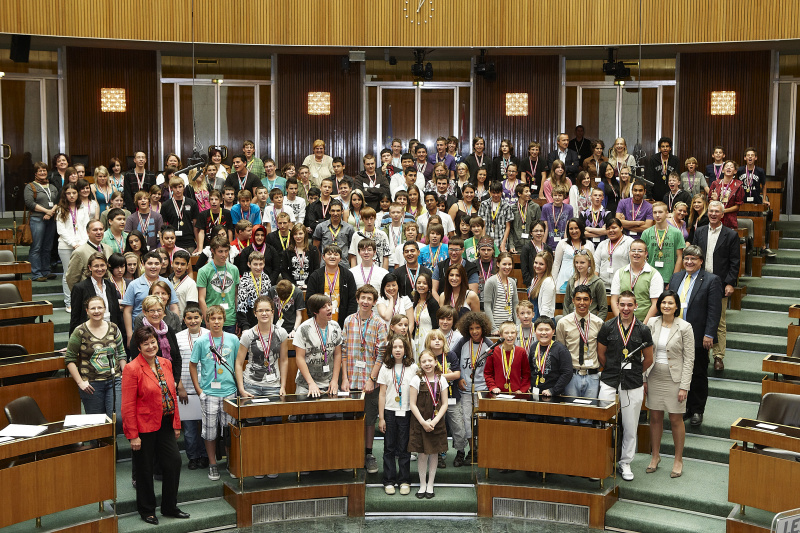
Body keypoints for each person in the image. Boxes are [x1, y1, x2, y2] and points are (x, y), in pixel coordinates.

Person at [122, 326, 187, 525]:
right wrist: (133, 435)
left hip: (165, 423)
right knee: (144, 469)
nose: (151, 346)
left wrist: (176, 424)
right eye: (145, 344)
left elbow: (172, 396)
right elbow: (127, 405)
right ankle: (147, 509)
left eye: (153, 342)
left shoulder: (166, 363)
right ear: (138, 347)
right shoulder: (132, 369)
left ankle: (169, 506)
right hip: (143, 427)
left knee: (174, 462)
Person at [597, 290, 654, 481]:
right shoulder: (607, 327)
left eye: (630, 305)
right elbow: (601, 355)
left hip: (633, 383)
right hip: (610, 380)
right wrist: (613, 369)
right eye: (622, 304)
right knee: (605, 423)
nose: (626, 308)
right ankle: (604, 461)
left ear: (635, 306)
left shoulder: (643, 329)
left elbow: (648, 358)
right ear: (617, 305)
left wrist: (634, 372)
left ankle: (625, 462)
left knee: (630, 426)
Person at [667, 245, 722, 427]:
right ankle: (685, 408)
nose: (689, 262)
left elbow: (714, 311)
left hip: (698, 335)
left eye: (693, 259)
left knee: (697, 373)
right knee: (679, 373)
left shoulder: (711, 280)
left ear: (700, 261)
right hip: (675, 334)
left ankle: (697, 410)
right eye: (686, 259)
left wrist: (709, 334)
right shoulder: (676, 277)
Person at [645, 291, 695, 478]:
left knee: (675, 419)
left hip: (675, 379)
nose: (666, 306)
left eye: (670, 303)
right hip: (653, 375)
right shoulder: (652, 323)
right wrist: (644, 379)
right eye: (663, 302)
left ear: (677, 306)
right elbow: (645, 352)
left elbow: (689, 359)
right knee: (655, 418)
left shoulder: (685, 327)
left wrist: (684, 386)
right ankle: (655, 456)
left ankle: (678, 459)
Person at [341, 285, 388, 474]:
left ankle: (368, 453)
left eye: (369, 299)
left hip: (370, 381)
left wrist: (371, 378)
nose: (366, 302)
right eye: (363, 298)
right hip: (350, 380)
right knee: (350, 419)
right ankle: (351, 453)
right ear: (357, 299)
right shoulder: (348, 321)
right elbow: (343, 351)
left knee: (369, 419)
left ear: (374, 302)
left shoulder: (379, 323)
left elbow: (382, 354)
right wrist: (344, 378)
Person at [189, 305, 240, 481]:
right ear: (207, 321)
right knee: (210, 432)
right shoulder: (201, 342)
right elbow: (193, 365)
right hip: (209, 393)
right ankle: (213, 464)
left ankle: (231, 462)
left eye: (219, 318)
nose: (216, 322)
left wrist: (239, 388)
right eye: (212, 319)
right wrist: (199, 390)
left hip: (230, 392)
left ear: (224, 320)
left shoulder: (233, 339)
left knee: (229, 431)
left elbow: (238, 364)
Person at [691, 201, 740, 372]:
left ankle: (718, 356)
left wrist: (730, 283)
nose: (712, 214)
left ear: (722, 215)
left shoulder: (731, 235)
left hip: (719, 283)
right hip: (700, 281)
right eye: (710, 211)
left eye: (716, 212)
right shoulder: (700, 231)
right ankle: (700, 353)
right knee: (698, 317)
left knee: (719, 321)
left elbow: (735, 262)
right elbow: (694, 257)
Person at [66, 294, 126, 429]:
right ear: (87, 311)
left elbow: (121, 354)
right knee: (97, 425)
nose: (97, 311)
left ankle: (112, 449)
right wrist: (80, 382)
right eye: (93, 308)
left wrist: (125, 375)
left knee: (117, 420)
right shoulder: (79, 331)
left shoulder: (114, 328)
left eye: (100, 307)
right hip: (91, 385)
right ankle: (103, 450)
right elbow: (70, 359)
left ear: (105, 309)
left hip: (114, 381)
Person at [236, 295, 289, 427]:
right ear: (255, 313)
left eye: (267, 310)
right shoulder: (247, 334)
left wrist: (283, 386)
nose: (264, 313)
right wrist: (241, 389)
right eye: (260, 310)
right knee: (252, 425)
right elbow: (238, 363)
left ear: (272, 312)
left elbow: (284, 360)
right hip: (251, 386)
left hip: (273, 386)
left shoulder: (281, 333)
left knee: (273, 426)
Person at [556, 285, 605, 423]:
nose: (581, 303)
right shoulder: (563, 323)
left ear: (591, 301)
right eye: (578, 299)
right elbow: (560, 350)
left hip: (592, 375)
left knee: (588, 417)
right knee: (571, 416)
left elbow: (601, 350)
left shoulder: (599, 323)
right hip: (571, 376)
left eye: (585, 299)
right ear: (572, 300)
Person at [378, 335, 418, 495]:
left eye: (401, 347)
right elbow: (381, 394)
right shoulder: (385, 368)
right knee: (389, 447)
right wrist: (381, 418)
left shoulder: (413, 368)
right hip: (389, 411)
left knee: (404, 447)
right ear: (390, 350)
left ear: (406, 349)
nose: (398, 350)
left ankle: (404, 480)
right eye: (394, 347)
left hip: (407, 412)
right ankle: (389, 480)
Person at [408, 348, 449, 498]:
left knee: (434, 454)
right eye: (424, 361)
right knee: (422, 454)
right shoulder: (416, 379)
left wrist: (435, 421)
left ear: (435, 362)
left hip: (436, 423)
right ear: (420, 363)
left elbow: (444, 404)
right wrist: (423, 422)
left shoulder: (441, 379)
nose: (427, 364)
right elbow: (412, 404)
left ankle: (430, 484)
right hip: (420, 422)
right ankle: (422, 484)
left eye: (430, 360)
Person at [175, 304, 209, 471]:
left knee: (205, 426)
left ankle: (205, 456)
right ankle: (193, 457)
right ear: (184, 320)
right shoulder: (178, 337)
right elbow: (175, 364)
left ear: (202, 318)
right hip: (186, 390)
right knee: (189, 430)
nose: (193, 321)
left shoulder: (210, 335)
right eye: (189, 318)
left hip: (207, 389)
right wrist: (179, 386)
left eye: (196, 317)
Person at [424, 329, 464, 469]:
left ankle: (460, 451)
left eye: (439, 339)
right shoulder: (427, 357)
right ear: (428, 342)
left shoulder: (450, 355)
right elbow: (425, 375)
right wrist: (448, 375)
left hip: (453, 397)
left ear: (444, 342)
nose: (436, 341)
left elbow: (457, 374)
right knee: (439, 426)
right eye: (433, 339)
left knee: (458, 426)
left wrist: (437, 376)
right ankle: (439, 454)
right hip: (435, 400)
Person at [293, 293, 344, 398]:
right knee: (303, 410)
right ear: (315, 311)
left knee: (336, 411)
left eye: (329, 305)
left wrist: (335, 380)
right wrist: (311, 383)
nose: (329, 308)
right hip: (306, 383)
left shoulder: (335, 327)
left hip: (329, 382)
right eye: (324, 307)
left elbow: (338, 354)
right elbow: (299, 358)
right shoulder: (303, 329)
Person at [69, 252, 124, 334]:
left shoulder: (110, 286)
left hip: (110, 331)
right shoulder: (80, 288)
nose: (100, 269)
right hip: (89, 333)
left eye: (102, 265)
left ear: (106, 266)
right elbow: (75, 317)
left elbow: (116, 313)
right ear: (90, 268)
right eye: (96, 266)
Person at [611, 239, 663, 323]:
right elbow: (614, 300)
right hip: (623, 323)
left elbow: (655, 303)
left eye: (640, 251)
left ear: (646, 254)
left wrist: (643, 326)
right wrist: (620, 322)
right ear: (629, 252)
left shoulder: (654, 274)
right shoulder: (619, 273)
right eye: (633, 250)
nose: (636, 253)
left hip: (644, 323)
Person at [306, 245, 358, 327]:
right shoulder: (315, 276)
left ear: (340, 258)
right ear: (323, 257)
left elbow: (353, 300)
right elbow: (309, 300)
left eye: (336, 254)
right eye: (329, 254)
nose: (332, 257)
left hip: (342, 322)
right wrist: (315, 319)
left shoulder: (347, 275)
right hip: (319, 322)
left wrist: (348, 321)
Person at [56, 184, 90, 310]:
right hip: (66, 246)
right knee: (68, 274)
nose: (71, 195)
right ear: (65, 195)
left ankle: (82, 301)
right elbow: (61, 230)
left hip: (82, 244)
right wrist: (73, 243)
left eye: (74, 193)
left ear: (78, 194)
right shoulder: (60, 209)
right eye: (69, 193)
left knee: (83, 273)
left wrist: (82, 243)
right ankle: (69, 302)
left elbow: (87, 227)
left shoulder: (82, 207)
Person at [738, 147, 774, 256]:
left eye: (752, 155)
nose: (750, 157)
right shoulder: (740, 170)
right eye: (748, 155)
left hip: (756, 201)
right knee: (743, 223)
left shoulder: (760, 171)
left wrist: (764, 199)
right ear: (744, 158)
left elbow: (764, 185)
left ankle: (762, 247)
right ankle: (745, 246)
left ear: (755, 158)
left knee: (758, 223)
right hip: (743, 202)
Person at [65, 220, 114, 299]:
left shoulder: (108, 249)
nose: (99, 232)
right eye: (95, 230)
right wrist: (79, 296)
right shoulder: (79, 252)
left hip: (106, 293)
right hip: (88, 296)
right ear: (88, 232)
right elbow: (71, 278)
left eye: (101, 229)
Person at [528, 315, 573, 399]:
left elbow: (567, 373)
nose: (543, 333)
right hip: (535, 392)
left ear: (553, 331)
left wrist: (553, 390)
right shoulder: (534, 347)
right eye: (540, 330)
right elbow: (530, 368)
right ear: (535, 331)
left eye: (547, 330)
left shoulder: (561, 349)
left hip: (553, 394)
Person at [642, 202, 686, 283]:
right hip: (650, 278)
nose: (657, 215)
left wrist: (674, 279)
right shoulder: (646, 233)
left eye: (660, 212)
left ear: (667, 213)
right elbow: (642, 256)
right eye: (655, 212)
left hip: (669, 278)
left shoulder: (676, 233)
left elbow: (679, 257)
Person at [485, 321, 531, 394]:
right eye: (506, 333)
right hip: (498, 393)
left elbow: (526, 374)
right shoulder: (493, 352)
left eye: (512, 333)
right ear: (501, 335)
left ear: (516, 335)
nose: (510, 335)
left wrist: (522, 389)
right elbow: (488, 373)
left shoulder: (521, 352)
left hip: (517, 393)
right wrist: (493, 387)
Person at [552, 218, 595, 293]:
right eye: (571, 229)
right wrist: (552, 283)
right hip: (564, 281)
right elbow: (556, 264)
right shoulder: (562, 243)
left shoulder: (589, 244)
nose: (574, 231)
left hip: (584, 280)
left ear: (581, 229)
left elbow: (593, 265)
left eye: (576, 228)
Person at [235, 250, 273, 330]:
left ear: (264, 264)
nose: (258, 267)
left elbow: (270, 301)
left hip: (265, 319)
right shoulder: (244, 280)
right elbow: (241, 306)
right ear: (249, 264)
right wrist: (245, 327)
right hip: (250, 321)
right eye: (255, 264)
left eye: (261, 264)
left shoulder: (266, 278)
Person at [159, 177, 199, 253]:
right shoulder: (166, 205)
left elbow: (196, 226)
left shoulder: (192, 203)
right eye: (175, 187)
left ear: (184, 187)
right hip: (172, 242)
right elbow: (163, 227)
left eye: (180, 187)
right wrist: (163, 244)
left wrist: (198, 245)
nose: (178, 190)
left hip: (189, 242)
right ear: (171, 189)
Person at [564, 250, 607, 318]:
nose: (578, 265)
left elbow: (603, 309)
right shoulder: (571, 281)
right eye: (576, 262)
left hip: (590, 321)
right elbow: (566, 304)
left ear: (589, 263)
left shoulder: (597, 282)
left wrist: (597, 324)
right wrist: (566, 321)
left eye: (582, 263)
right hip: (572, 320)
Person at [483, 252, 518, 334]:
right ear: (498, 264)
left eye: (510, 264)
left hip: (509, 327)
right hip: (496, 328)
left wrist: (517, 325)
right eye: (504, 264)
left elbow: (515, 305)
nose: (507, 267)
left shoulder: (512, 282)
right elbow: (487, 306)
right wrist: (493, 328)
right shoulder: (491, 281)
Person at [594, 218, 633, 291]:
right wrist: (596, 283)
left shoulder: (629, 242)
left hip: (622, 286)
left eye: (614, 228)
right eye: (608, 229)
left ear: (621, 228)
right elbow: (596, 264)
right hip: (603, 286)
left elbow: (633, 264)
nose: (611, 231)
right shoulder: (602, 244)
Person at [476, 182, 513, 253]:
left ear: (501, 192)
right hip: (487, 238)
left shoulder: (507, 206)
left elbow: (508, 227)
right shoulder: (484, 204)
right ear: (489, 192)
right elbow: (482, 224)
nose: (495, 195)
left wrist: (503, 243)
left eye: (498, 192)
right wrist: (484, 241)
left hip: (500, 239)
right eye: (493, 192)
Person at [709, 160, 744, 230]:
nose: (729, 168)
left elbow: (737, 206)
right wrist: (715, 201)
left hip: (730, 219)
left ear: (735, 171)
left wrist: (723, 211)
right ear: (722, 170)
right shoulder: (715, 183)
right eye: (727, 166)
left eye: (731, 167)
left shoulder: (738, 185)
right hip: (715, 217)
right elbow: (710, 200)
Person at [509, 182, 542, 253]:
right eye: (526, 192)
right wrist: (511, 245)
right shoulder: (512, 208)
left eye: (529, 191)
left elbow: (540, 227)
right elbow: (510, 230)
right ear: (519, 194)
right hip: (517, 246)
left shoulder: (535, 207)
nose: (529, 193)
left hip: (532, 246)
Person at [286, 222, 320, 289]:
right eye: (295, 234)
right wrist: (292, 285)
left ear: (305, 234)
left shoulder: (313, 250)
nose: (298, 236)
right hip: (292, 287)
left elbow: (316, 269)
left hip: (310, 285)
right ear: (292, 236)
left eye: (300, 233)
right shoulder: (288, 251)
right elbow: (284, 271)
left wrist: (309, 284)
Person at [411, 272, 439, 355]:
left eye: (424, 283)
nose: (421, 285)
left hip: (428, 338)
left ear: (429, 286)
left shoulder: (432, 303)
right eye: (419, 283)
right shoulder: (415, 302)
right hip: (417, 337)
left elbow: (436, 325)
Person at [644, 137, 679, 201]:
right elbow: (650, 177)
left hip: (670, 193)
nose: (665, 148)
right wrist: (649, 195)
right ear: (659, 148)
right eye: (663, 146)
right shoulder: (653, 159)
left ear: (670, 148)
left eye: (667, 146)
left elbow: (677, 177)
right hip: (656, 193)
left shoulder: (675, 160)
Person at [541, 184, 574, 249]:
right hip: (549, 242)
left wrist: (566, 245)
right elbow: (545, 228)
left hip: (562, 241)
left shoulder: (569, 208)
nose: (557, 197)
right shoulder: (546, 208)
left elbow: (567, 229)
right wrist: (543, 245)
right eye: (555, 195)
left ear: (564, 197)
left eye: (560, 195)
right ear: (552, 196)